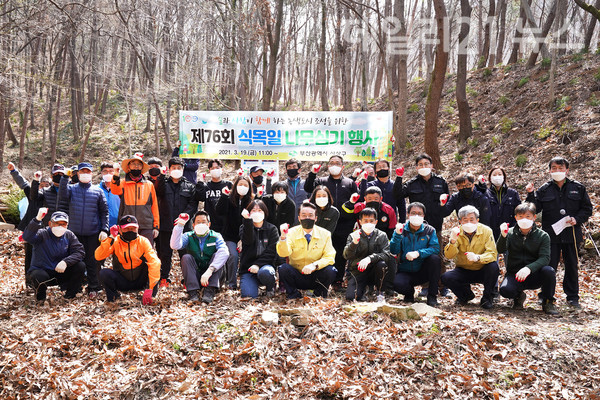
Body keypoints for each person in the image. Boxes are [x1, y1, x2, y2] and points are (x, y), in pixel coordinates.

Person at [525, 156, 593, 308]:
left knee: (572, 266)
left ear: (567, 170)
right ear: (549, 170)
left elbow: (587, 209)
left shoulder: (578, 188)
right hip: (550, 235)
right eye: (554, 168)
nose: (557, 171)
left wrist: (577, 219)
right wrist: (530, 194)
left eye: (561, 168)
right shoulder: (544, 189)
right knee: (549, 266)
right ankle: (546, 296)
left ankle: (573, 297)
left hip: (572, 234)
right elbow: (533, 208)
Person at [304, 155, 357, 287]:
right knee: (323, 249)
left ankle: (338, 279)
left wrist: (357, 220)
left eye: (337, 163)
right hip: (324, 222)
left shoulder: (350, 183)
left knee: (340, 253)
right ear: (328, 166)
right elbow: (308, 188)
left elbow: (357, 203)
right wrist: (312, 174)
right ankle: (321, 279)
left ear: (342, 166)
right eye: (332, 163)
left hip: (344, 224)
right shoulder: (321, 181)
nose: (334, 165)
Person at [59, 162, 109, 298]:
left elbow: (104, 212)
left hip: (92, 233)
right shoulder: (71, 189)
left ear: (92, 174)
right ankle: (74, 287)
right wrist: (65, 177)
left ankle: (94, 287)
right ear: (78, 174)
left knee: (93, 261)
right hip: (74, 233)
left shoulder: (98, 191)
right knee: (74, 261)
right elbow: (62, 194)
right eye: (82, 172)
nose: (85, 174)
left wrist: (104, 229)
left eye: (88, 171)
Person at [497, 203, 558, 314]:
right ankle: (518, 296)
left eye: (528, 216)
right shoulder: (510, 233)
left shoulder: (543, 236)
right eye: (520, 217)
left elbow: (545, 258)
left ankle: (548, 301)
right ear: (516, 218)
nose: (524, 219)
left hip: (535, 274)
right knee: (505, 290)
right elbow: (500, 249)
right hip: (514, 274)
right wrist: (503, 235)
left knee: (549, 271)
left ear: (534, 218)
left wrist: (528, 268)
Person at [441, 205, 499, 309]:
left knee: (493, 267)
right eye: (465, 220)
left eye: (472, 219)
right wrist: (453, 241)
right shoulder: (456, 232)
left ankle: (487, 298)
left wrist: (478, 257)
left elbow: (492, 254)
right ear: (460, 221)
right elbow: (449, 255)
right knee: (446, 277)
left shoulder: (486, 231)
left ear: (477, 220)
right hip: (463, 269)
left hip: (482, 268)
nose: (468, 223)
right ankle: (465, 296)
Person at [154, 157, 199, 287]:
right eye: (174, 168)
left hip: (184, 227)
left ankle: (187, 279)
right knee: (165, 254)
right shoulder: (164, 184)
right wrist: (161, 176)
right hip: (166, 226)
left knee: (185, 254)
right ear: (169, 169)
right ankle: (164, 278)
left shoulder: (189, 186)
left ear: (183, 169)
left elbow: (193, 204)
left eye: (179, 168)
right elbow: (158, 190)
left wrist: (185, 217)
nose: (176, 170)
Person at [96, 215, 161, 304]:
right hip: (123, 281)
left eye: (133, 228)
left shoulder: (143, 241)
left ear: (138, 229)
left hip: (141, 280)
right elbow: (98, 256)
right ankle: (114, 297)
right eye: (127, 229)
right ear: (120, 230)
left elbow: (155, 262)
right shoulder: (115, 241)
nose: (130, 231)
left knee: (154, 265)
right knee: (104, 273)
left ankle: (150, 296)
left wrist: (150, 288)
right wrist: (110, 238)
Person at [277, 202, 337, 299]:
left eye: (310, 215)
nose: (307, 218)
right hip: (297, 275)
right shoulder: (291, 233)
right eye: (304, 215)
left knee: (331, 271)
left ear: (316, 218)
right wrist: (283, 237)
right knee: (283, 269)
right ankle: (293, 294)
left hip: (316, 275)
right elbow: (283, 253)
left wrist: (314, 265)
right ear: (299, 218)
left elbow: (330, 257)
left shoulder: (325, 234)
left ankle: (319, 294)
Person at [23, 209, 85, 302]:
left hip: (60, 271)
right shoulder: (42, 234)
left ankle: (70, 296)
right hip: (43, 271)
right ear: (50, 223)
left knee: (80, 266)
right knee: (38, 275)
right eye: (57, 223)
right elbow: (27, 237)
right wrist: (37, 220)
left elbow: (79, 251)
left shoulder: (69, 235)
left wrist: (66, 262)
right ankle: (41, 299)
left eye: (63, 224)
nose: (60, 226)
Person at [390, 202, 442, 306]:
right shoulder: (401, 229)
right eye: (413, 213)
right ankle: (409, 293)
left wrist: (418, 253)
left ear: (423, 216)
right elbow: (394, 251)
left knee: (435, 259)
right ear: (408, 214)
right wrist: (397, 235)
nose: (416, 216)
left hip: (423, 270)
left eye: (419, 213)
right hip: (405, 270)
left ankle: (432, 296)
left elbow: (435, 248)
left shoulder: (429, 230)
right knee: (397, 284)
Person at [170, 211, 229, 303]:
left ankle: (210, 290)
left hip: (212, 274)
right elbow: (175, 245)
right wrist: (179, 226)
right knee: (186, 257)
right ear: (193, 225)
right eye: (198, 222)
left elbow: (224, 252)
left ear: (209, 224)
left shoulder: (216, 236)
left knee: (217, 255)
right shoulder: (189, 236)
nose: (201, 224)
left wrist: (210, 270)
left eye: (203, 222)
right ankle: (193, 291)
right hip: (195, 273)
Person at [343, 207, 395, 301]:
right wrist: (354, 244)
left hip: (375, 271)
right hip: (358, 271)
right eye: (365, 220)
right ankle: (365, 290)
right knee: (351, 297)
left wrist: (370, 259)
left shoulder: (382, 235)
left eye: (371, 220)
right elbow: (346, 255)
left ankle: (380, 291)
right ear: (360, 222)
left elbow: (386, 254)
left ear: (376, 221)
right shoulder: (353, 235)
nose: (368, 223)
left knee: (382, 264)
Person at [110, 154, 160, 245]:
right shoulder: (123, 183)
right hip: (127, 225)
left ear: (142, 167)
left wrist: (156, 226)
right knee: (128, 253)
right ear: (128, 167)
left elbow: (154, 206)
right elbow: (114, 190)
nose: (136, 166)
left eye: (139, 164)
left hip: (146, 225)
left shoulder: (149, 185)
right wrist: (116, 175)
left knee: (146, 252)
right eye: (133, 164)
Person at [216, 175, 254, 289]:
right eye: (240, 184)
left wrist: (243, 239)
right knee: (232, 255)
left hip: (246, 236)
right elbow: (219, 211)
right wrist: (223, 196)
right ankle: (231, 283)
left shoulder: (252, 202)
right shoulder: (228, 199)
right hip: (229, 236)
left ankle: (246, 281)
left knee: (247, 255)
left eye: (245, 185)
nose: (242, 187)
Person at [239, 200, 279, 299]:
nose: (257, 213)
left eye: (260, 210)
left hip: (265, 267)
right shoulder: (243, 227)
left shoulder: (272, 229)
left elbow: (272, 252)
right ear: (248, 213)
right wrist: (248, 221)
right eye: (253, 210)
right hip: (248, 269)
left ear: (265, 213)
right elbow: (248, 241)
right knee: (248, 296)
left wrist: (258, 265)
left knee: (265, 273)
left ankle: (270, 287)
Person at [7, 162, 42, 275]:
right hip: (30, 229)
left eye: (47, 185)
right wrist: (14, 171)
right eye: (42, 184)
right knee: (30, 256)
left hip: (45, 230)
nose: (43, 187)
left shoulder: (50, 196)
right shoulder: (32, 194)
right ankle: (29, 280)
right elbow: (23, 183)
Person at [481, 167, 521, 240]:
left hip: (509, 232)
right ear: (490, 178)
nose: (497, 177)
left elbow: (519, 212)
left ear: (504, 177)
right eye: (494, 175)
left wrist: (514, 228)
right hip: (490, 233)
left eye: (499, 174)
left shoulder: (512, 193)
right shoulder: (485, 194)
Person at [195, 159, 233, 233]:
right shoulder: (206, 186)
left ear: (221, 169)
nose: (215, 170)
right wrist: (200, 182)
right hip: (210, 224)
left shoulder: (228, 185)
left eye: (217, 168)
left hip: (225, 225)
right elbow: (200, 197)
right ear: (209, 170)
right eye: (212, 168)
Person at [284, 158, 308, 222]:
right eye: (289, 167)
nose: (292, 169)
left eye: (294, 167)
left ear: (299, 170)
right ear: (286, 170)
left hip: (303, 218)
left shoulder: (306, 184)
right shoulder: (283, 185)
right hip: (286, 218)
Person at [98, 162, 121, 227]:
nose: (108, 174)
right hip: (100, 226)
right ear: (101, 173)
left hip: (118, 226)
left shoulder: (120, 189)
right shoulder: (96, 189)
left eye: (111, 171)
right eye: (105, 171)